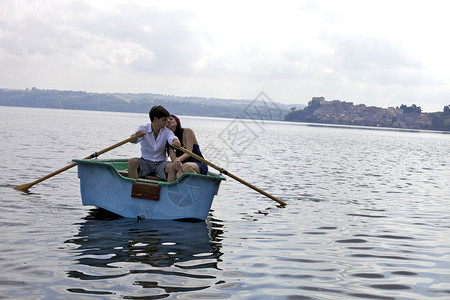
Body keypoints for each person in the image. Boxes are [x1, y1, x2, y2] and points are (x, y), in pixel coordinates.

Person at [128, 105, 181, 182]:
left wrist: (176, 141)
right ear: (155, 119)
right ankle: (136, 188)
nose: (167, 123)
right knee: (132, 162)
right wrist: (136, 136)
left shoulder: (167, 131)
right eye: (164, 120)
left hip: (161, 164)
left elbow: (172, 138)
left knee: (172, 167)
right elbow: (132, 140)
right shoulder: (143, 128)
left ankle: (168, 192)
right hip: (145, 162)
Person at [166, 115, 208, 179]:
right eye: (166, 120)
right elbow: (173, 158)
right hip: (182, 166)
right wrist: (178, 168)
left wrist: (179, 159)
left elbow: (189, 152)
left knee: (186, 167)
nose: (169, 121)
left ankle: (201, 184)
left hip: (197, 164)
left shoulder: (187, 131)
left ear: (177, 121)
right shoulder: (169, 139)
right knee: (177, 173)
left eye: (171, 119)